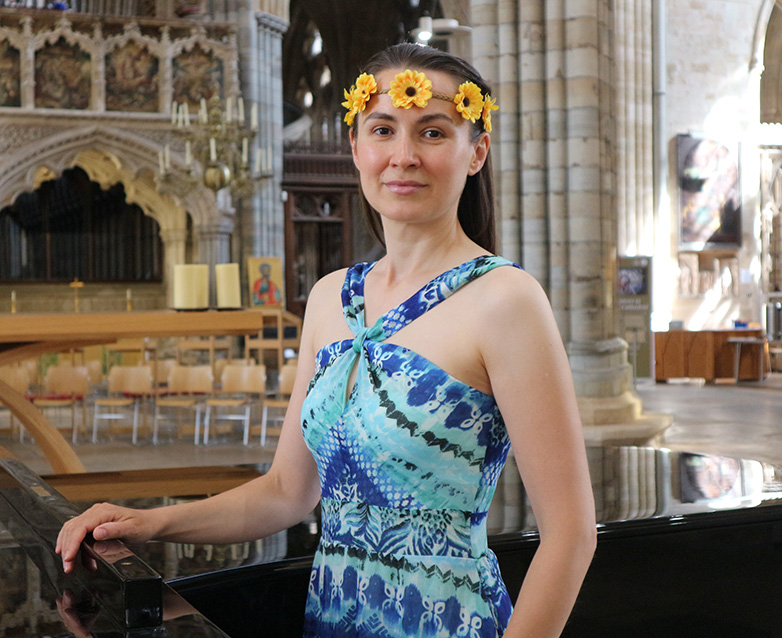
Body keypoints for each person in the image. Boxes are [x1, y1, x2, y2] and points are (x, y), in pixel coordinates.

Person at [57, 43, 596, 637]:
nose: (404, 156)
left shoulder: (504, 299)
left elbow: (570, 534)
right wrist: (149, 523)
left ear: (477, 153)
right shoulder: (331, 297)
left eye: (434, 133)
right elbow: (287, 492)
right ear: (357, 147)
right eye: (383, 129)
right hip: (333, 617)